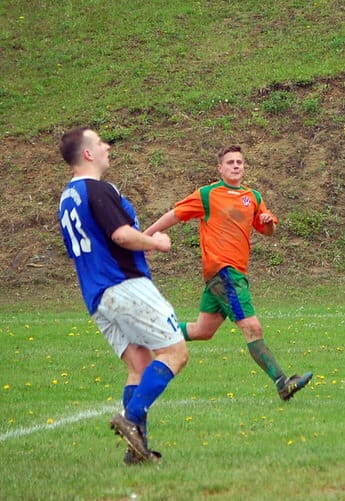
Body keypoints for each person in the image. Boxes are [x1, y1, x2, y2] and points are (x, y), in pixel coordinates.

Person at [57, 127, 188, 464]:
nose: (107, 146)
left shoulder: (67, 197)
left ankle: (137, 451)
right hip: (123, 284)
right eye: (100, 142)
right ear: (87, 154)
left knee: (139, 366)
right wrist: (156, 241)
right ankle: (131, 419)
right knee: (174, 352)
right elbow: (120, 236)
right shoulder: (95, 189)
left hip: (97, 295)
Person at [144, 145, 312, 400]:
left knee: (203, 330)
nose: (236, 166)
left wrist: (267, 223)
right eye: (230, 162)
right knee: (252, 327)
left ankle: (148, 333)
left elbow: (266, 230)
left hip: (230, 273)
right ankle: (282, 382)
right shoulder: (208, 194)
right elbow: (176, 214)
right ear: (219, 168)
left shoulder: (253, 197)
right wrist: (145, 237)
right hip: (225, 271)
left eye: (239, 162)